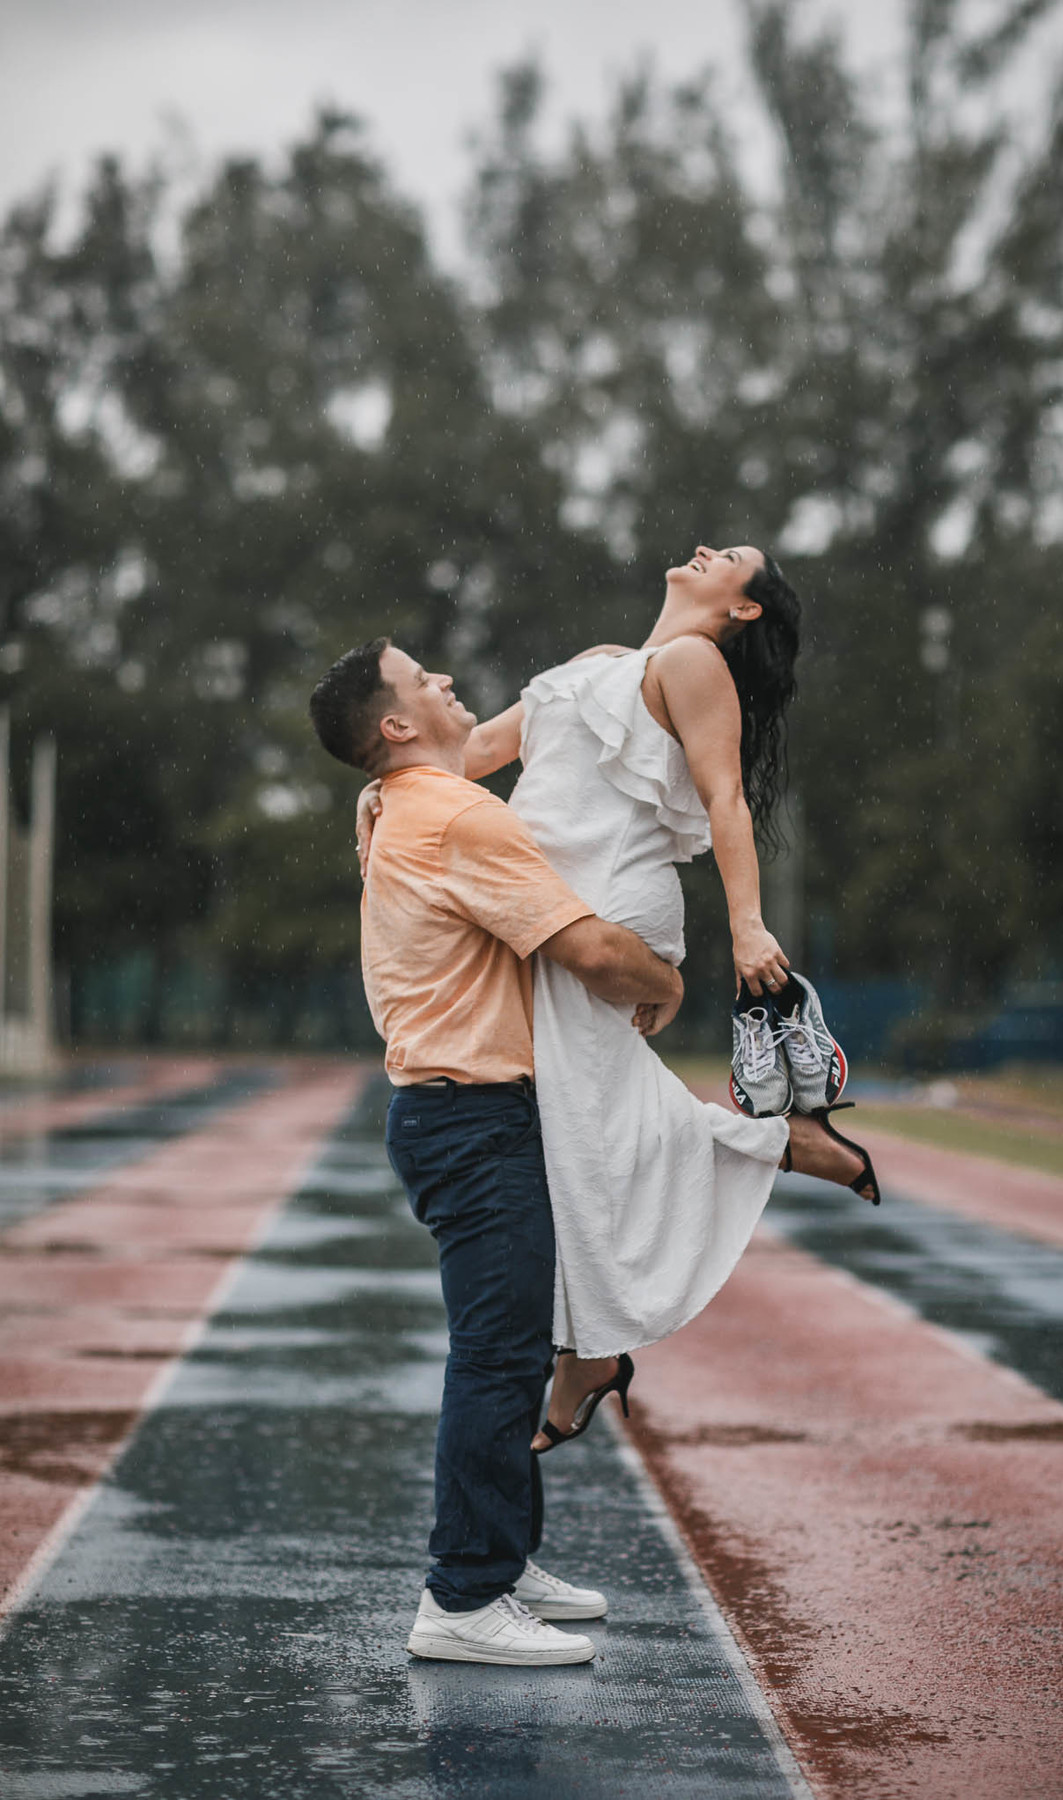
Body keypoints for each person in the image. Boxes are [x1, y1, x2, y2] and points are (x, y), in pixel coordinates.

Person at [356, 544, 881, 1453]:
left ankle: (596, 1348)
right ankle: (597, 1342)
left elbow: (726, 803)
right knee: (574, 1129)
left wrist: (748, 926)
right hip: (544, 907)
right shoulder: (600, 663)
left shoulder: (693, 662)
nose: (709, 549)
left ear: (744, 610)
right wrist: (383, 787)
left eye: (735, 560)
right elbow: (476, 751)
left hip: (604, 907)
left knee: (575, 1130)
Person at [309, 637, 685, 1666]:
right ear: (393, 725)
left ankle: (501, 1560)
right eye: (421, 677)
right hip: (473, 1119)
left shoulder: (391, 802)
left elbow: (489, 739)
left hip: (450, 1117)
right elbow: (592, 948)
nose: (442, 679)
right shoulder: (457, 819)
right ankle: (463, 1599)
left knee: (513, 1349)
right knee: (498, 1354)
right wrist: (669, 981)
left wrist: (606, 666)